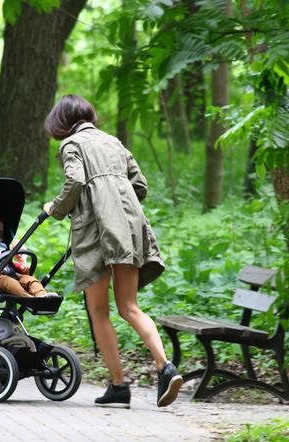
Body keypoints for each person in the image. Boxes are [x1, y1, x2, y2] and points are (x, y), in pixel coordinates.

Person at [43, 94, 183, 408]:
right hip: (129, 229)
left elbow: (75, 180)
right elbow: (141, 185)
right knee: (129, 306)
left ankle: (119, 384)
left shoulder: (71, 145)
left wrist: (56, 208)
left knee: (99, 312)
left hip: (96, 234)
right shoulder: (114, 142)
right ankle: (166, 367)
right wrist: (116, 202)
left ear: (61, 124)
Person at [0, 211, 58, 298]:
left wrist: (19, 267)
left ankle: (41, 295)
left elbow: (8, 264)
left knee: (29, 279)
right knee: (10, 283)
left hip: (11, 273)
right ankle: (29, 298)